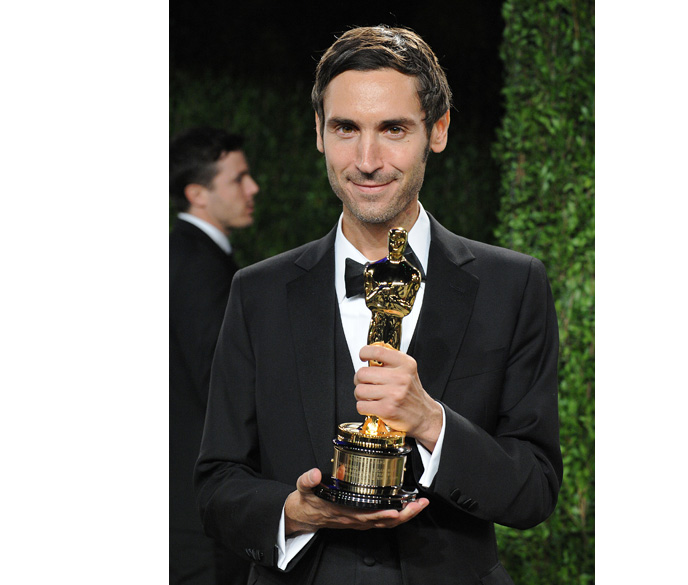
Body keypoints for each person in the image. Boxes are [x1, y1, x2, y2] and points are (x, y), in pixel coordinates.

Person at [196, 25, 562, 584]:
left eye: (393, 129)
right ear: (319, 133)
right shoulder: (257, 292)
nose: (366, 160)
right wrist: (294, 513)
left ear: (436, 131)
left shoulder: (512, 285)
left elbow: (534, 490)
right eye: (346, 128)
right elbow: (217, 483)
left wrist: (430, 421)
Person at [170, 127, 259, 585]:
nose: (253, 189)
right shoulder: (198, 263)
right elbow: (217, 382)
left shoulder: (186, 254)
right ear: (197, 194)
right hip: (195, 511)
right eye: (238, 179)